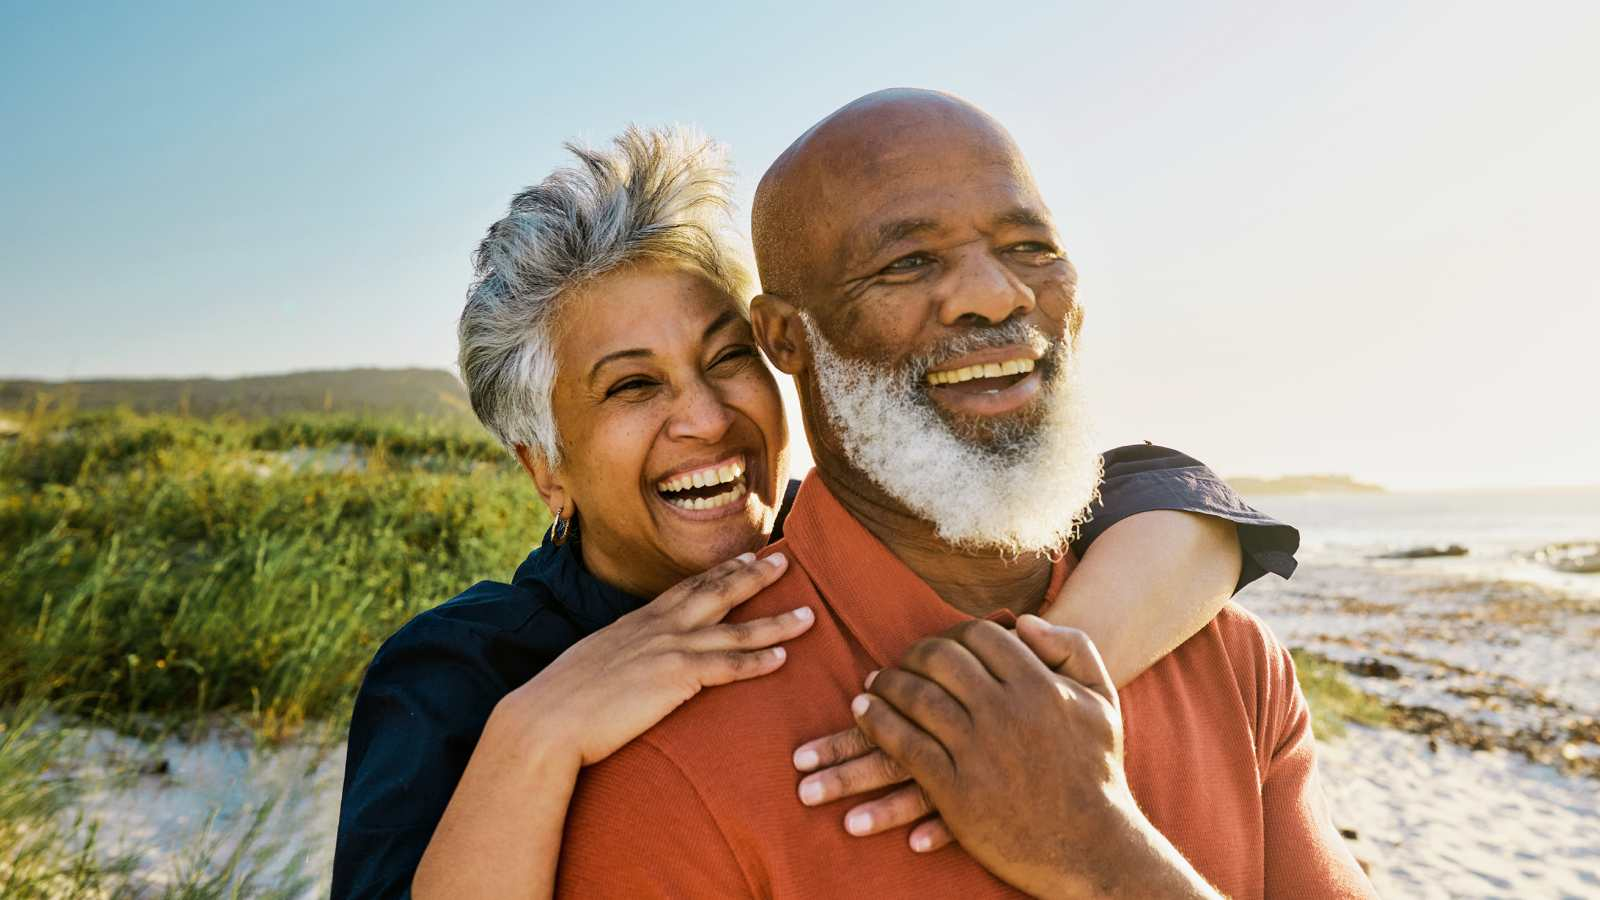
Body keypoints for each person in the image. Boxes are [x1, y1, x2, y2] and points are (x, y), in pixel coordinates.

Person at [332, 126, 1299, 899]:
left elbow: (1161, 489)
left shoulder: (886, 542)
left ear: (780, 350)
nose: (705, 419)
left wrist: (1027, 683)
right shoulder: (467, 672)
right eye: (631, 389)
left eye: (725, 359)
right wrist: (535, 732)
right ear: (546, 468)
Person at [551, 92, 1375, 899]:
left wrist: (1103, 856)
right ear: (785, 337)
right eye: (909, 262)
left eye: (1028, 246)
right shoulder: (671, 767)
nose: (997, 295)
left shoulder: (1230, 661)